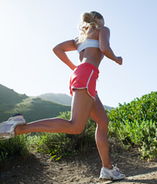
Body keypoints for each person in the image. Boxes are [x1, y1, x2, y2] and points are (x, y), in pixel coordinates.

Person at [0, 11, 125, 181]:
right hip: (87, 74)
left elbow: (57, 49)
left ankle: (107, 168)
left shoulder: (79, 39)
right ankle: (18, 127)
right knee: (75, 126)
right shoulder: (103, 30)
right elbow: (104, 48)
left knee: (102, 121)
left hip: (81, 75)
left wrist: (74, 67)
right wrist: (116, 58)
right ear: (98, 21)